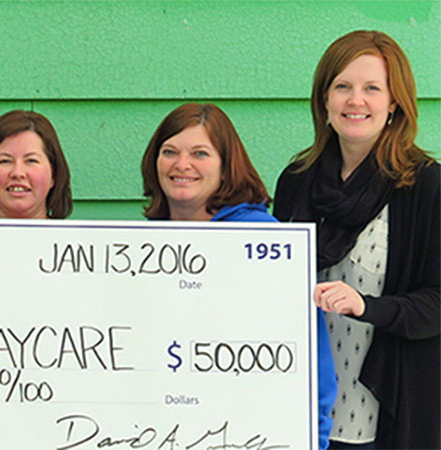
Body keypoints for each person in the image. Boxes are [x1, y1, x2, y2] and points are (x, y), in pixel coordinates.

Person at [272, 30, 438, 449]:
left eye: (371, 89)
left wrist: (365, 306)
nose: (355, 100)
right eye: (342, 86)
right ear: (324, 99)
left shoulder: (426, 186)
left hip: (386, 403)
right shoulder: (296, 182)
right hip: (299, 401)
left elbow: (438, 302)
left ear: (394, 102)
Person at [142, 102, 338, 448]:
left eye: (200, 153)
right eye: (169, 151)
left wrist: (315, 439)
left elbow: (310, 357)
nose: (181, 164)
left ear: (225, 165)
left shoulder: (266, 242)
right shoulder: (136, 250)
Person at [0, 110, 72, 219]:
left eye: (31, 161)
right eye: (5, 161)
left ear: (54, 175)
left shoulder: (78, 236)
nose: (17, 173)